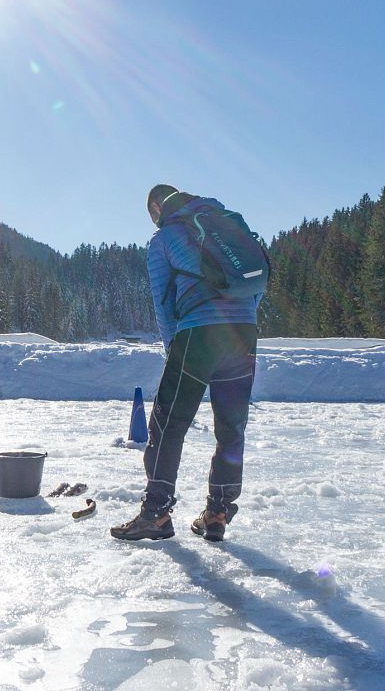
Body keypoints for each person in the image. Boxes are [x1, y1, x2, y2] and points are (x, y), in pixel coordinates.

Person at [110, 184, 263, 542]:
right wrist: (240, 322)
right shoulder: (227, 226)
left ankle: (156, 514)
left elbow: (163, 302)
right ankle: (218, 512)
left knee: (168, 424)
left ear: (156, 208)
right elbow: (256, 286)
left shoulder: (164, 238)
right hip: (243, 332)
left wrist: (173, 348)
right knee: (231, 426)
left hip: (198, 333)